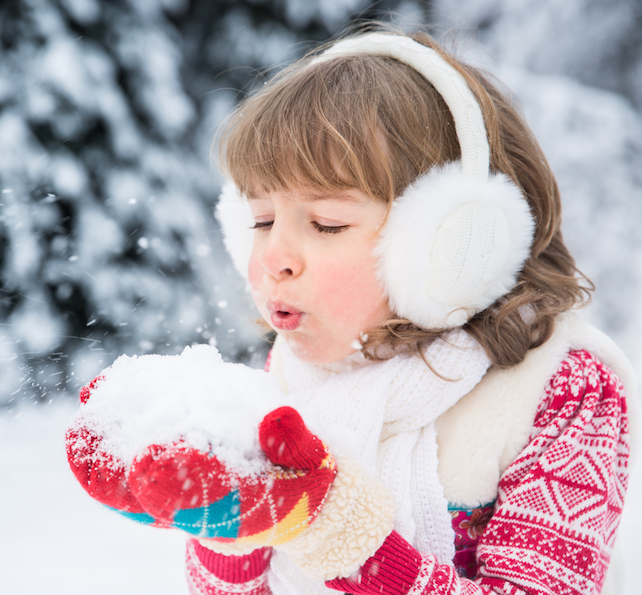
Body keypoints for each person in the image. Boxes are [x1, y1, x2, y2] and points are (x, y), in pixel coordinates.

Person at [66, 26, 637, 595]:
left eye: (327, 224)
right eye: (261, 221)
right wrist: (227, 526)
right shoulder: (299, 371)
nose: (274, 258)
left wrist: (341, 536)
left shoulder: (560, 388)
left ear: (448, 242)